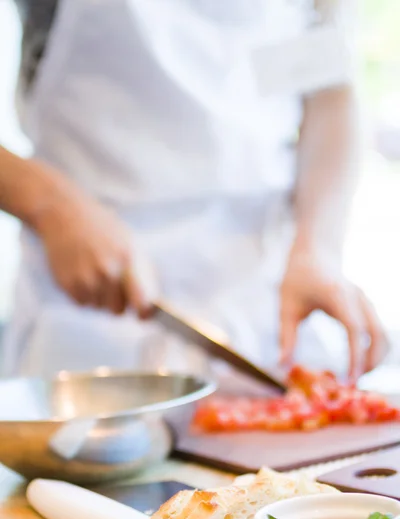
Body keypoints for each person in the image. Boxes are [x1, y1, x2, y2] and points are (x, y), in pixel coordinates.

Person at [0, 0, 388, 381]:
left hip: (266, 312)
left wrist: (316, 249)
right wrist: (48, 202)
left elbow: (327, 94)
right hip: (88, 331)